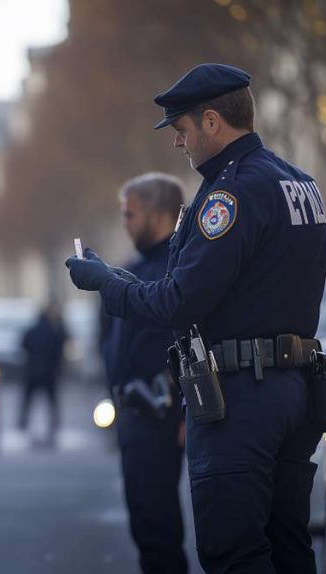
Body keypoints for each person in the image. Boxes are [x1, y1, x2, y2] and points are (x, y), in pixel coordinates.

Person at [66, 63, 326, 573]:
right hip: (294, 389)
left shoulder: (229, 195)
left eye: (182, 129)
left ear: (213, 122)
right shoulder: (299, 183)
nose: (177, 144)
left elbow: (180, 302)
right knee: (288, 545)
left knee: (233, 552)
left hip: (240, 397)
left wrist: (108, 284)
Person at [99, 173, 188, 574]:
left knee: (158, 526)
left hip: (162, 413)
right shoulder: (135, 268)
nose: (125, 223)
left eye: (130, 214)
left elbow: (192, 340)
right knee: (146, 520)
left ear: (159, 216)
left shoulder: (179, 269)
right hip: (136, 411)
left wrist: (186, 411)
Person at [18, 300, 68, 437]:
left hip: (32, 370)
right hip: (48, 372)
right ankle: (55, 423)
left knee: (28, 399)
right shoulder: (54, 332)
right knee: (51, 400)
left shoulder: (31, 331)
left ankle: (22, 422)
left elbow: (23, 345)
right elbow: (59, 349)